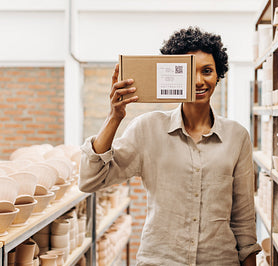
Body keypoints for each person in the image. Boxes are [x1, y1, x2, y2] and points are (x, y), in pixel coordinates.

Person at [79, 26, 261, 265]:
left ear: (218, 75)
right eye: (189, 72)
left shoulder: (237, 137)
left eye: (207, 71)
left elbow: (244, 220)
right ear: (175, 76)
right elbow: (90, 179)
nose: (199, 81)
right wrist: (115, 116)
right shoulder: (148, 128)